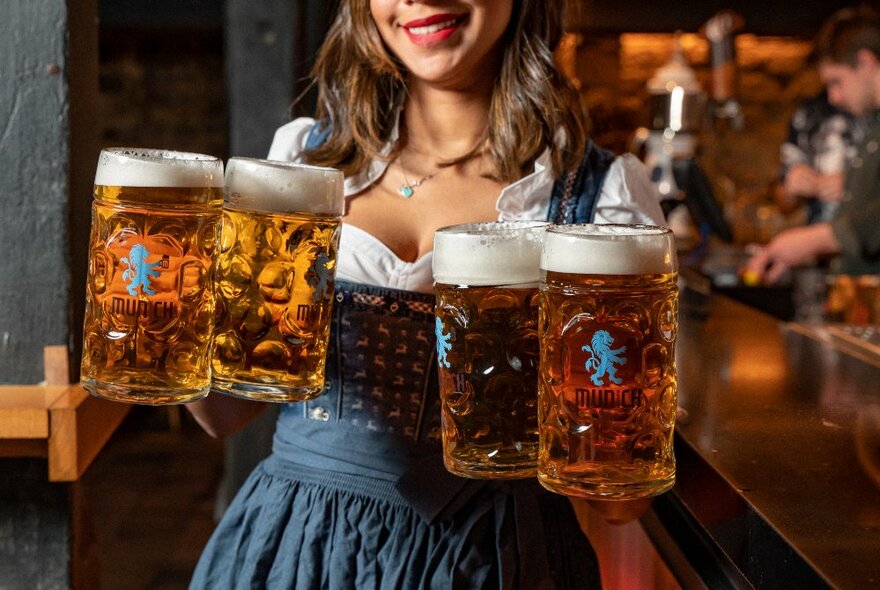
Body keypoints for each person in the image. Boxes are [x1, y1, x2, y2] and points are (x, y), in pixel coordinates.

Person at [187, 1, 664, 588]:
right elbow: (225, 413)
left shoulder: (601, 199)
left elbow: (620, 502)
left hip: (492, 560)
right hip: (300, 545)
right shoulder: (298, 163)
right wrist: (188, 312)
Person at [747, 6, 880, 284]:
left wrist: (815, 240)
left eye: (836, 81)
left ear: (866, 63)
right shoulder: (872, 124)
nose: (833, 97)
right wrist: (797, 252)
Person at [775, 89, 860, 224]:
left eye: (837, 81)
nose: (833, 97)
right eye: (828, 83)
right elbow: (782, 204)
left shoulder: (872, 118)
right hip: (819, 230)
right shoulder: (809, 113)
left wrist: (856, 188)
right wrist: (792, 187)